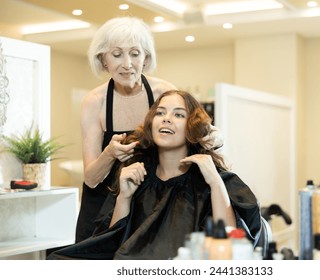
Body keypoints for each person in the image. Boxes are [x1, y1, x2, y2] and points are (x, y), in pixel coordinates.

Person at [48, 90, 261, 260]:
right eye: (160, 113)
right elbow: (111, 242)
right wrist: (125, 196)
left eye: (178, 114)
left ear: (192, 127)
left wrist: (215, 182)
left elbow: (230, 248)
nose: (166, 119)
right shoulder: (137, 173)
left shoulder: (212, 179)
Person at [75, 17, 179, 243]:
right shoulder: (94, 102)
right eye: (117, 54)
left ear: (146, 58)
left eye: (135, 53)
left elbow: (191, 140)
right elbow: (91, 179)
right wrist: (110, 154)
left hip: (153, 204)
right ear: (103, 60)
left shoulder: (165, 93)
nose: (127, 64)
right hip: (103, 207)